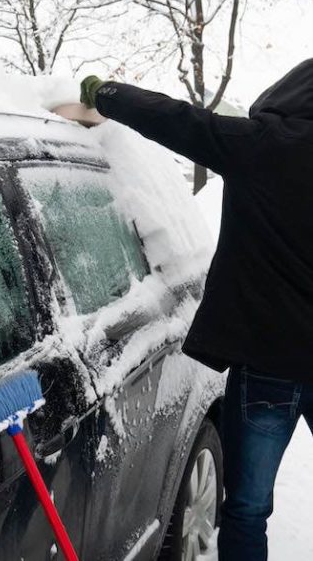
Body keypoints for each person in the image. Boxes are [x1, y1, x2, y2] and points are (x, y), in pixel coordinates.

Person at [79, 62, 313, 560]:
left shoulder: (257, 145)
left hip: (268, 362)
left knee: (248, 507)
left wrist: (105, 93)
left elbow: (173, 118)